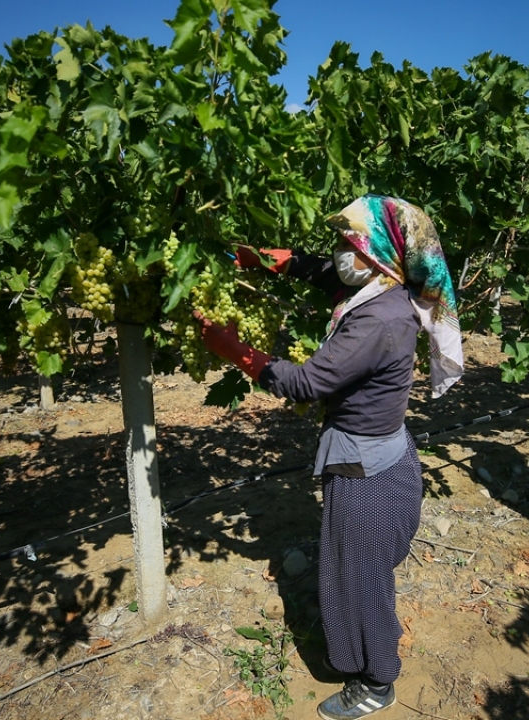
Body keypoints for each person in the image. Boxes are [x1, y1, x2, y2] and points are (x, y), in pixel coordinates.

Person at [196, 195, 463, 720]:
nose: (339, 251)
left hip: (366, 471)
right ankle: (372, 653)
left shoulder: (381, 320)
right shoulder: (382, 286)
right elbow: (321, 272)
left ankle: (376, 680)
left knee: (357, 575)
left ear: (377, 250)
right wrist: (265, 258)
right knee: (363, 566)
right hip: (380, 455)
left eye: (350, 242)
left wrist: (235, 350)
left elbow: (306, 382)